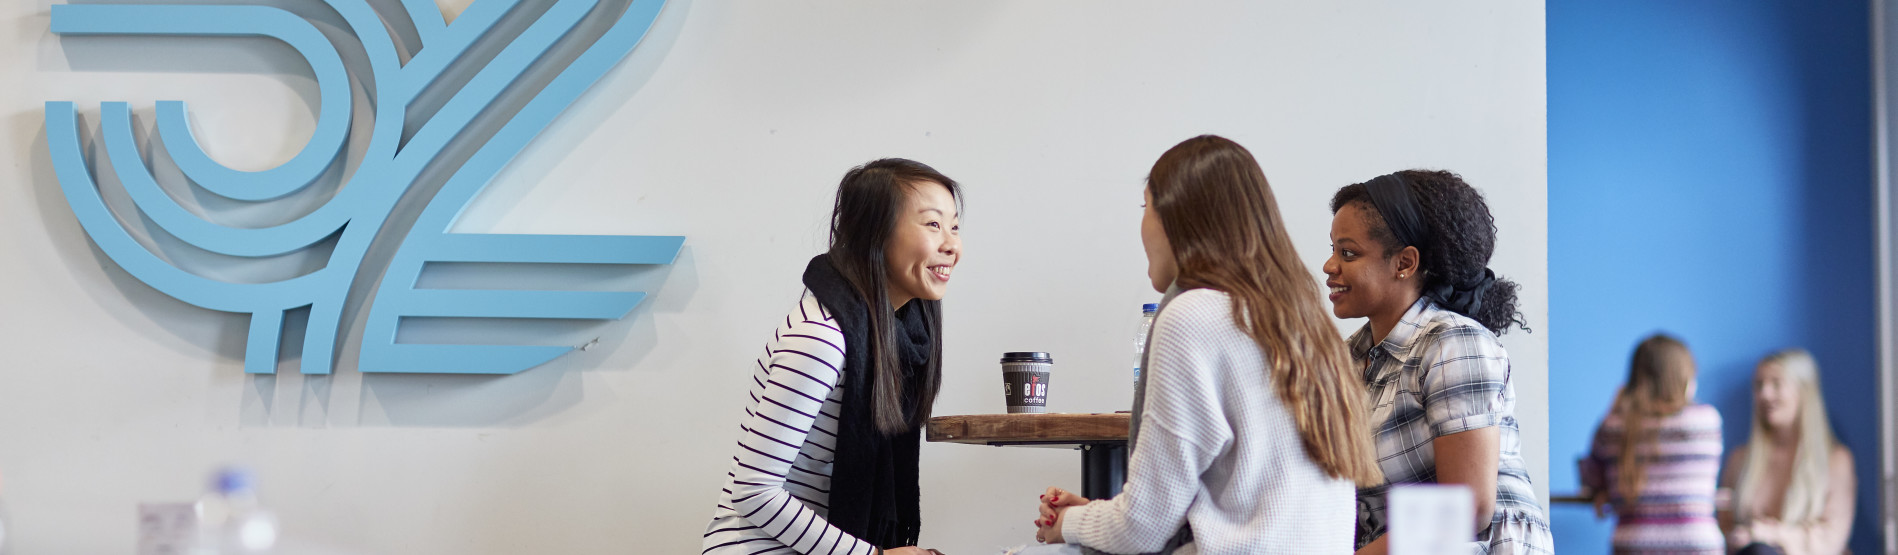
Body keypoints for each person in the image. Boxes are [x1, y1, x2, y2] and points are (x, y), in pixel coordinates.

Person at [1021, 135, 1383, 554]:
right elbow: (1215, 507)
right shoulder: (1303, 322)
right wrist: (1097, 515)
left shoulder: (1193, 316)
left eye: (1146, 208)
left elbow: (1141, 528)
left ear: (1177, 218)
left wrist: (1070, 522)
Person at [703, 159, 962, 555]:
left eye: (954, 226)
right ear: (874, 234)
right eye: (933, 224)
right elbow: (754, 492)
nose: (951, 244)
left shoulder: (892, 334)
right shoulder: (822, 338)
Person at [1322, 170, 1551, 554]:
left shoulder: (1453, 343)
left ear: (1405, 263)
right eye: (1332, 250)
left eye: (1348, 253)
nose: (1330, 266)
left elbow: (1467, 508)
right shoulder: (1346, 360)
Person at [1581, 334, 1725, 554]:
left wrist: (1614, 408)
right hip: (1696, 544)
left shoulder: (1613, 426)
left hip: (1634, 545)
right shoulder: (1706, 420)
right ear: (1684, 377)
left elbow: (1590, 477)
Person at [1718, 349, 1856, 555]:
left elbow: (1830, 539)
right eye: (1759, 385)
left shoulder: (1836, 460)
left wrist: (1771, 534)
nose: (1765, 394)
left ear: (1803, 391)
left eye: (1776, 383)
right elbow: (1723, 528)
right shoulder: (1739, 459)